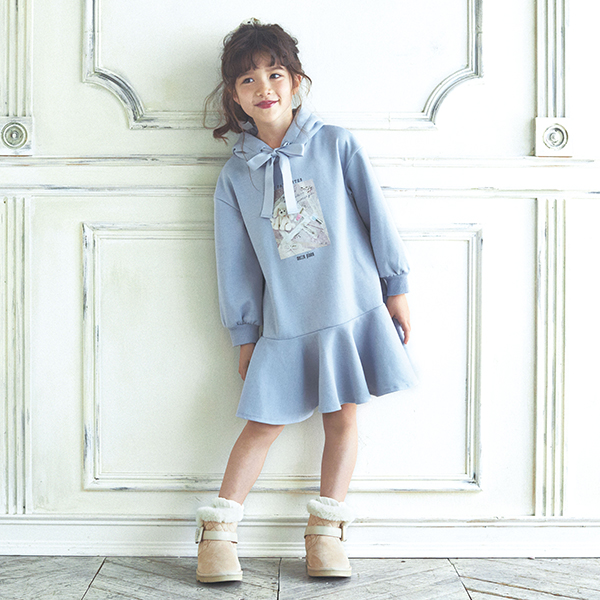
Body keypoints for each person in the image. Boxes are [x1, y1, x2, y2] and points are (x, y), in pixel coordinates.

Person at [195, 18, 417, 583]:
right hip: (286, 323)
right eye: (248, 80)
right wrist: (244, 334)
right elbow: (236, 264)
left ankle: (325, 535)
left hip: (349, 308)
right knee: (262, 425)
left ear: (296, 81)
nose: (263, 88)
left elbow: (377, 216)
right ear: (234, 96)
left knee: (343, 420)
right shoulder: (235, 177)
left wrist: (396, 288)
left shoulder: (336, 143)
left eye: (275, 74)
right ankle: (217, 536)